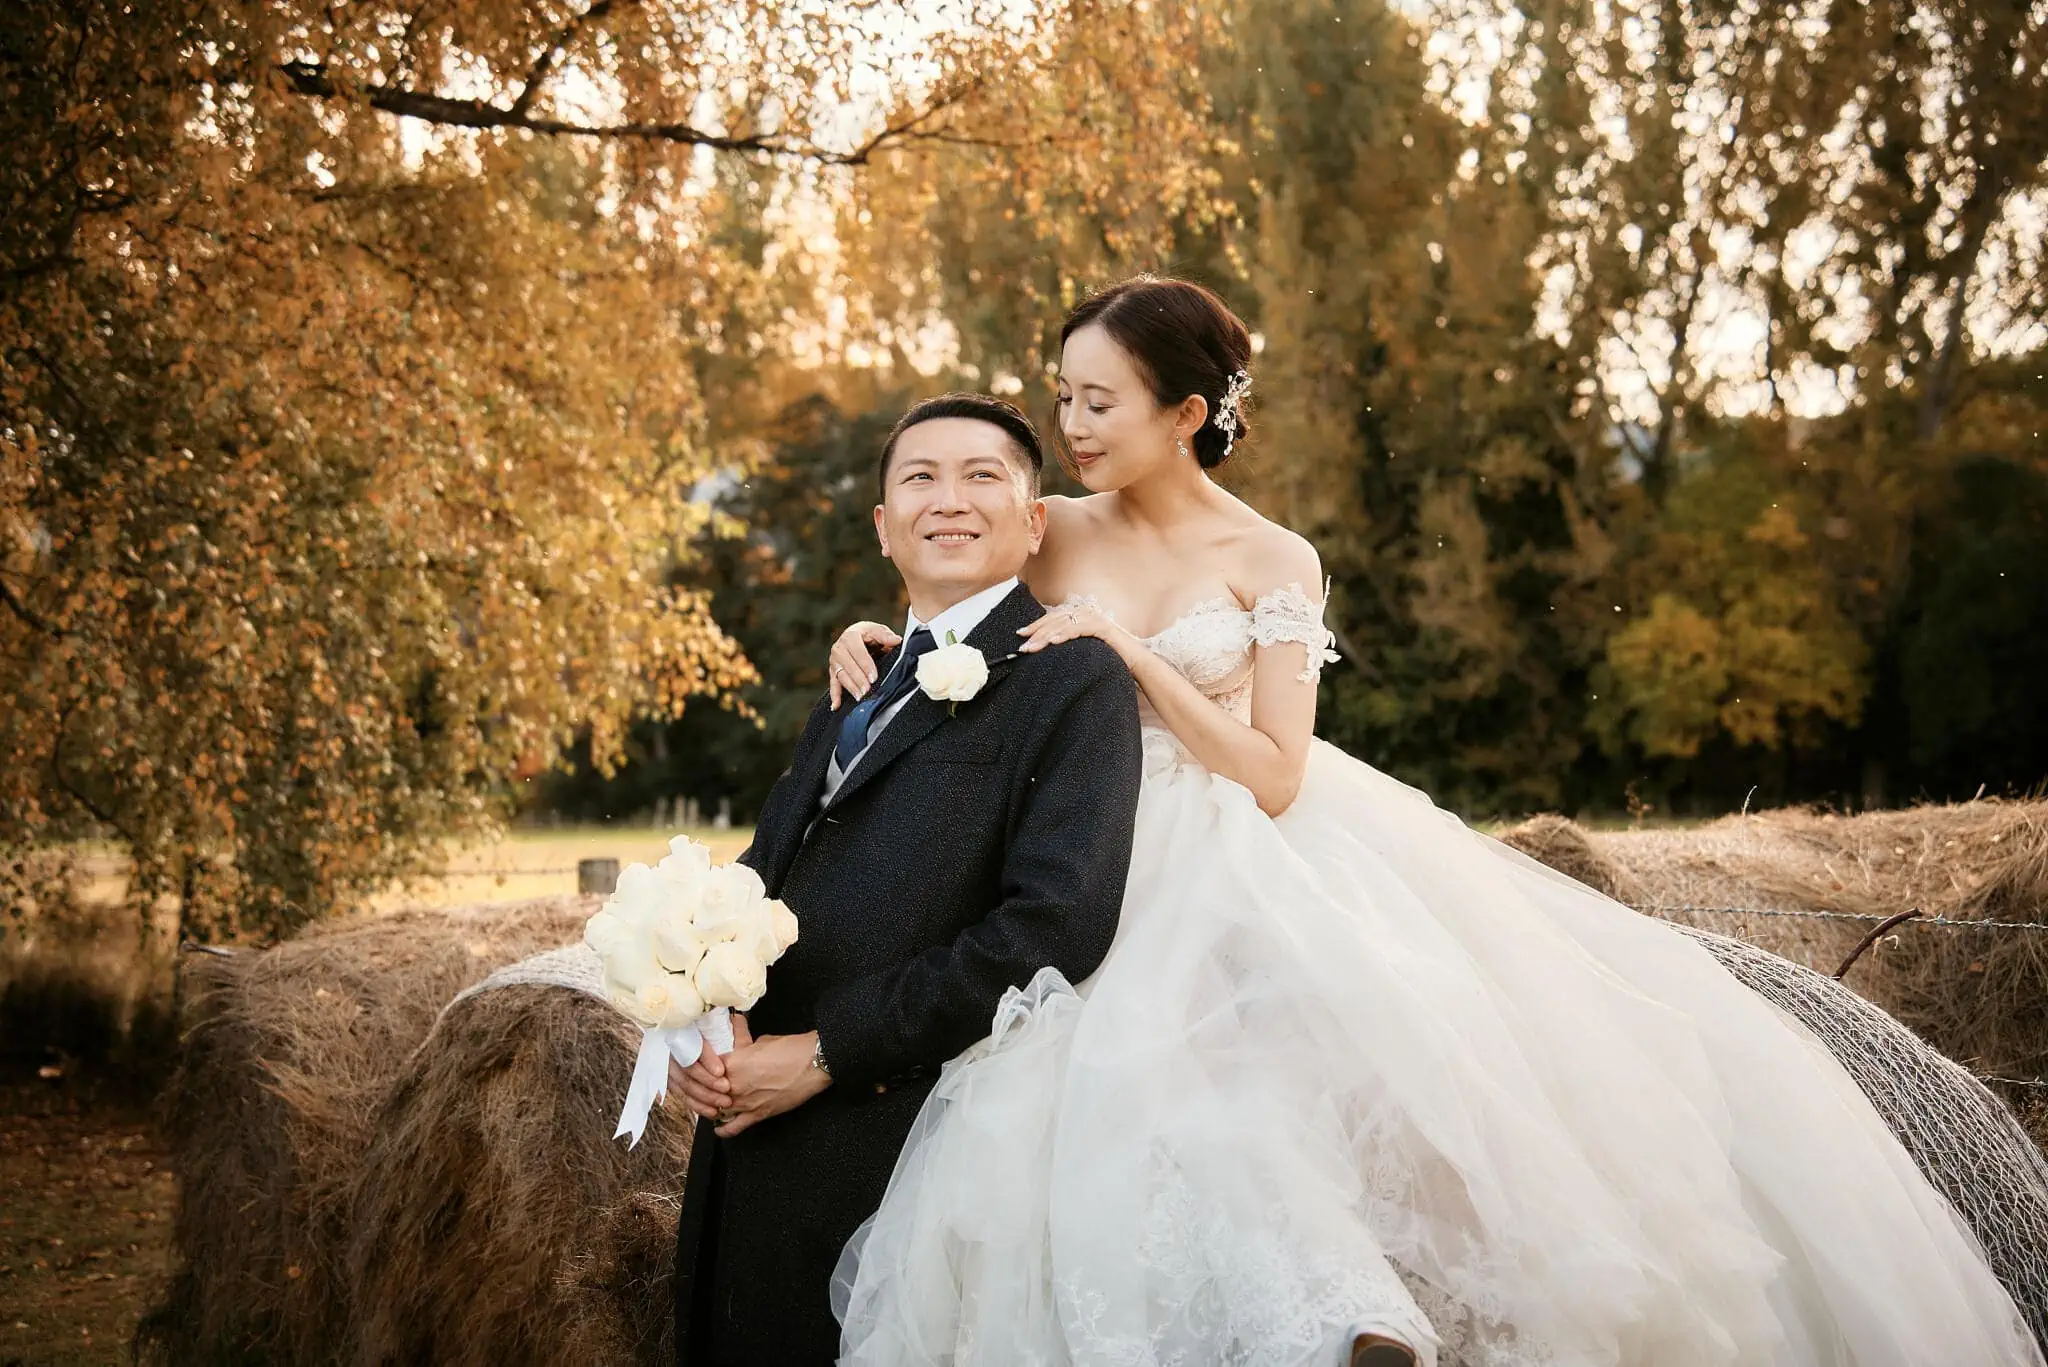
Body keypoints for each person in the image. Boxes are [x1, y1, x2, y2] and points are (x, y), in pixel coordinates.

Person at [821, 276, 2047, 1367]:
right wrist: (870, 641)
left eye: (1097, 403)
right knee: (1114, 1098)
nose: (1071, 429)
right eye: (1065, 399)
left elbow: (1275, 771)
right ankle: (1317, 1316)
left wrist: (1130, 653)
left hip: (1237, 834)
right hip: (1086, 832)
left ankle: (1369, 1313)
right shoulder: (1052, 528)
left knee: (1282, 1064)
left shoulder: (1272, 558)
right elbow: (952, 619)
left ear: (1184, 414)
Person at [669, 393, 1144, 1364]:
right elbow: (760, 876)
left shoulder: (1072, 679)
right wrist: (703, 1024)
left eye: (982, 475)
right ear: (885, 526)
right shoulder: (858, 672)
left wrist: (825, 1050)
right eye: (919, 478)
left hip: (900, 1151)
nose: (948, 499)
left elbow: (1055, 922)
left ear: (1033, 518)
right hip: (746, 1147)